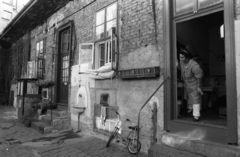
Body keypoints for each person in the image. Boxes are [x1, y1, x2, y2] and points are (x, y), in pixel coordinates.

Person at [178, 49, 203, 121]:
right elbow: (182, 69)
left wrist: (199, 87)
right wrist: (177, 66)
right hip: (187, 84)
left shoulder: (195, 66)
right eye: (180, 57)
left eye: (182, 57)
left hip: (194, 85)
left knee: (195, 99)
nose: (180, 59)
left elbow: (199, 77)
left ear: (187, 58)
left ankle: (196, 116)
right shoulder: (182, 62)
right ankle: (190, 108)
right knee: (188, 97)